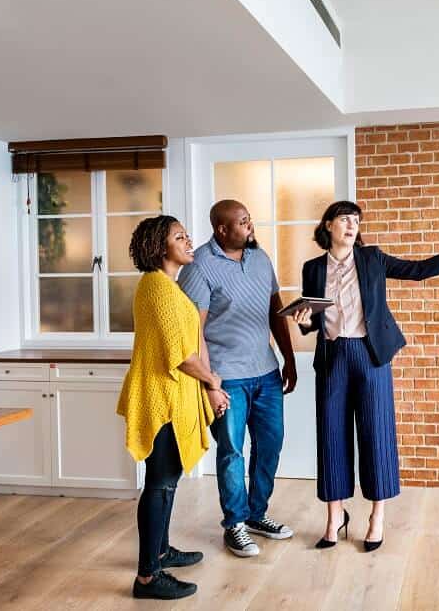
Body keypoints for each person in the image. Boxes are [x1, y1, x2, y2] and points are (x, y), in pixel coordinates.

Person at [293, 201, 439, 551]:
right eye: (344, 219)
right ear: (328, 226)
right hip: (332, 358)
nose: (352, 225)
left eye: (356, 220)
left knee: (376, 434)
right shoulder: (313, 268)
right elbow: (311, 323)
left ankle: (377, 516)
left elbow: (418, 269)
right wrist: (304, 319)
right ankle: (335, 517)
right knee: (331, 435)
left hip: (371, 356)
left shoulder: (372, 259)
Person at [116, 215, 230, 600]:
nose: (188, 240)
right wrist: (213, 382)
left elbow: (191, 344)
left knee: (167, 481)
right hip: (161, 400)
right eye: (179, 236)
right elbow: (180, 355)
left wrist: (208, 387)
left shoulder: (170, 287)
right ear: (160, 247)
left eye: (186, 234)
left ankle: (161, 551)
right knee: (160, 484)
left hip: (174, 398)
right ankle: (147, 577)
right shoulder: (156, 288)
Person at [178, 200, 298, 557]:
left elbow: (276, 312)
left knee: (270, 445)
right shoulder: (199, 265)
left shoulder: (260, 259)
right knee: (232, 451)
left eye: (250, 220)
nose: (250, 227)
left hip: (266, 372)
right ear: (222, 229)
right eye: (243, 222)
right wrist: (210, 384)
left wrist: (289, 359)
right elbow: (192, 332)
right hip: (227, 377)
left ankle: (257, 514)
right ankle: (235, 524)